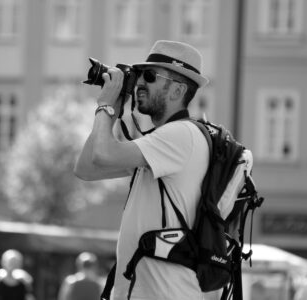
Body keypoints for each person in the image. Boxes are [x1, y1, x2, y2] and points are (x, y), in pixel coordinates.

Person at [74, 40, 209, 300]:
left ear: (177, 89)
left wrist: (105, 104)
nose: (139, 84)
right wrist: (112, 110)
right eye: (138, 76)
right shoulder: (158, 144)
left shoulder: (180, 135)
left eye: (150, 76)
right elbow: (86, 168)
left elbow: (102, 155)